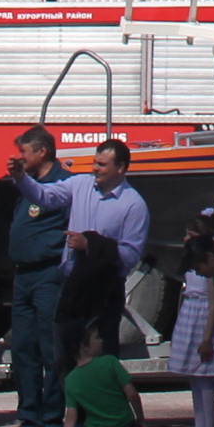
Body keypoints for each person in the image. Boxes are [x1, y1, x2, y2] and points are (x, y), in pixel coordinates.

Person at [3, 125, 78, 427]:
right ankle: (29, 416)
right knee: (22, 348)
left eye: (24, 152)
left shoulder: (62, 184)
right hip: (24, 274)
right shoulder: (29, 183)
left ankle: (52, 419)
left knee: (52, 349)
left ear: (42, 152)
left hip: (48, 274)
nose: (20, 157)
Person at [55, 138, 150, 362]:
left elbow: (130, 256)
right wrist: (22, 179)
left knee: (102, 359)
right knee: (65, 357)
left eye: (102, 164)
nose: (95, 168)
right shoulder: (82, 185)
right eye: (94, 163)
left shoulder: (134, 205)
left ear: (121, 168)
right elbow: (45, 195)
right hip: (74, 287)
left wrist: (92, 245)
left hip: (105, 291)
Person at [166, 211, 214, 427]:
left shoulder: (209, 265)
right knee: (194, 378)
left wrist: (207, 337)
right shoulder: (192, 261)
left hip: (203, 318)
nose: (185, 239)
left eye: (190, 235)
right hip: (190, 312)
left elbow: (213, 304)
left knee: (205, 379)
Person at [57, 323, 138, 427]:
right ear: (84, 346)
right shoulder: (110, 362)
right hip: (124, 426)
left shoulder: (70, 380)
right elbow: (132, 394)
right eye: (97, 337)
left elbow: (70, 416)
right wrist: (141, 420)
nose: (102, 340)